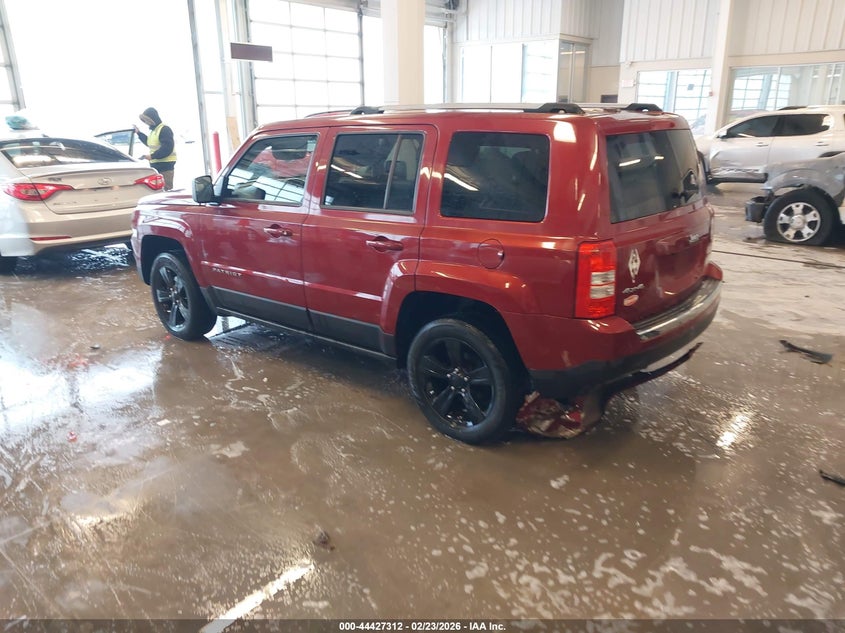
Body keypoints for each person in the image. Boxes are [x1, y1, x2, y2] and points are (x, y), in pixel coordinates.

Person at [135, 107, 177, 190]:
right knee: (158, 191)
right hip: (156, 166)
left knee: (165, 191)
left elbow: (167, 148)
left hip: (165, 167)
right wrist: (139, 133)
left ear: (152, 118)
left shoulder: (164, 129)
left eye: (146, 120)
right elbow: (148, 142)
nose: (146, 122)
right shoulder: (153, 131)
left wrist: (152, 156)